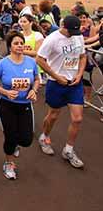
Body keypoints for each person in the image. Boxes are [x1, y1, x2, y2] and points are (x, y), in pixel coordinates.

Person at [36, 15, 86, 169]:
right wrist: (56, 77)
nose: (73, 34)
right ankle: (44, 137)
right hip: (56, 84)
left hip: (74, 83)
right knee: (53, 115)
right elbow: (40, 59)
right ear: (63, 26)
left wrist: (79, 74)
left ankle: (69, 150)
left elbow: (83, 56)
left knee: (77, 119)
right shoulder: (52, 39)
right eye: (70, 31)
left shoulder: (78, 37)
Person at [0, 31, 40, 180]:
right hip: (6, 104)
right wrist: (5, 91)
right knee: (10, 136)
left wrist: (34, 90)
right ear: (10, 46)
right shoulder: (3, 63)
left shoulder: (31, 62)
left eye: (21, 43)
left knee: (26, 140)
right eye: (16, 43)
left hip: (25, 105)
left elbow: (37, 79)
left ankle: (16, 143)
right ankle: (9, 163)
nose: (19, 46)